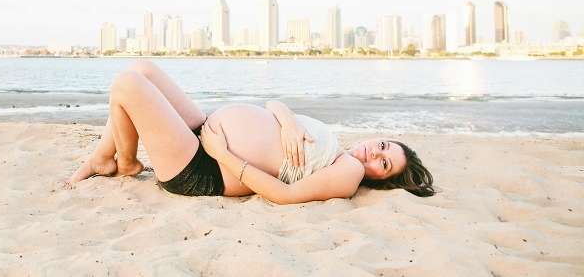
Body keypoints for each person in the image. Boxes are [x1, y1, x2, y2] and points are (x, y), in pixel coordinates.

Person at [66, 60, 434, 203]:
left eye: (384, 163)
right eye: (382, 145)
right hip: (204, 135)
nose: (373, 153)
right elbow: (272, 107)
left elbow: (284, 196)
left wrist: (222, 154)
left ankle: (124, 162)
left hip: (204, 168)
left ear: (379, 179)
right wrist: (288, 120)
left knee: (128, 84)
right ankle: (107, 158)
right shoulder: (332, 145)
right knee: (142, 69)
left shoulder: (348, 172)